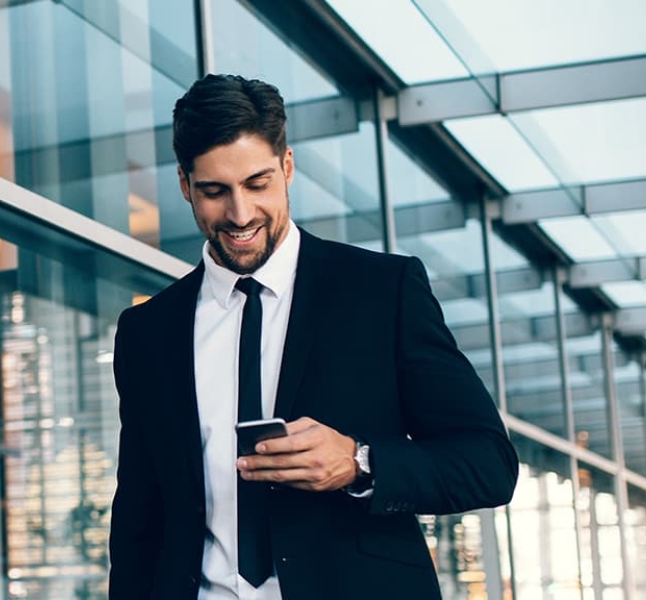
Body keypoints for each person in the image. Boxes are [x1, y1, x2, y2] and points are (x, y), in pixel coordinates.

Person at [108, 74, 519, 600]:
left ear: (287, 167)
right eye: (215, 191)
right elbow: (139, 518)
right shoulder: (148, 332)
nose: (239, 214)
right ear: (186, 186)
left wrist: (359, 462)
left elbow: (488, 464)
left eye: (258, 184)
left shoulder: (382, 291)